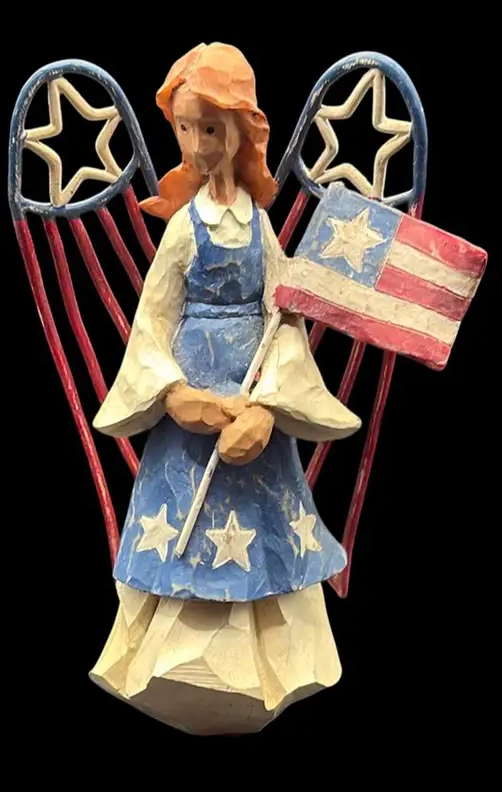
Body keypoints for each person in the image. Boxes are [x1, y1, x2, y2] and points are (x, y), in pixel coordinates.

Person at [88, 42, 362, 735]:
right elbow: (151, 321)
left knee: (265, 533)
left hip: (250, 407)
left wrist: (266, 408)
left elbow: (284, 321)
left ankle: (274, 664)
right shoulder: (183, 230)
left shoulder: (261, 228)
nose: (196, 145)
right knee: (180, 530)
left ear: (243, 131)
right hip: (189, 425)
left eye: (210, 128)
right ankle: (170, 660)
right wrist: (174, 394)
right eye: (184, 128)